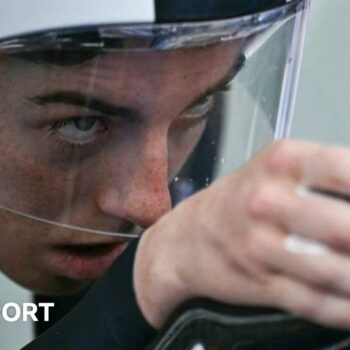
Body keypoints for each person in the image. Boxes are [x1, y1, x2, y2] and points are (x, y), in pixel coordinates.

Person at [0, 0, 349, 349]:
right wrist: (138, 294)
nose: (153, 207)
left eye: (198, 104)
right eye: (81, 123)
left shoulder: (176, 108)